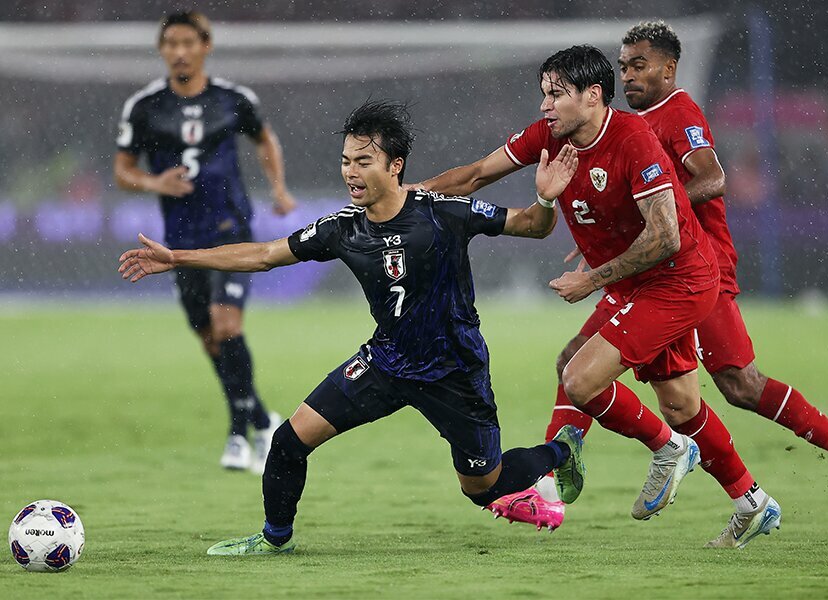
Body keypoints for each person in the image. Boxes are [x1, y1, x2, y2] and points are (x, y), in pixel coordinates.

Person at [118, 99, 587, 555]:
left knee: (483, 488)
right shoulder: (341, 228)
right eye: (346, 161)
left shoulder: (442, 212)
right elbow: (264, 255)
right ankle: (273, 538)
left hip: (454, 371)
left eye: (363, 161)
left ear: (395, 165)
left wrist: (545, 197)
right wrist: (177, 257)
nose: (350, 172)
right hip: (385, 362)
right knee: (287, 442)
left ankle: (561, 450)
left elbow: (531, 225)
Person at [495, 22, 828, 532]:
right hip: (653, 271)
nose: (630, 75)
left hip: (695, 267)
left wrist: (651, 209)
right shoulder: (620, 125)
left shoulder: (677, 112)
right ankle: (744, 501)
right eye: (623, 66)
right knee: (642, 385)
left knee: (739, 385)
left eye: (639, 65)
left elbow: (713, 177)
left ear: (669, 68)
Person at [418, 45, 782, 548]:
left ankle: (663, 451)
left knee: (580, 378)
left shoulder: (634, 139)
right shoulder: (550, 134)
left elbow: (666, 237)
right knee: (678, 404)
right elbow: (478, 174)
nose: (545, 105)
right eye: (543, 93)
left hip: (680, 282)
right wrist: (410, 197)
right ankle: (752, 501)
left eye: (556, 94)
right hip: (634, 284)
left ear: (592, 96)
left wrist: (591, 279)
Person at [113, 11, 297, 473]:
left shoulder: (233, 99)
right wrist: (155, 184)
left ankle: (238, 435)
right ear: (162, 49)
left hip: (229, 231)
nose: (179, 52)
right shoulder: (144, 106)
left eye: (187, 43)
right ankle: (262, 418)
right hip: (177, 245)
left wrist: (278, 189)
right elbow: (122, 169)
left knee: (226, 324)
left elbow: (265, 141)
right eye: (170, 43)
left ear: (204, 46)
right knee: (210, 339)